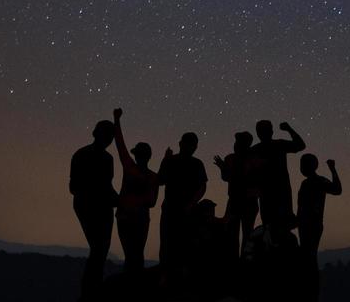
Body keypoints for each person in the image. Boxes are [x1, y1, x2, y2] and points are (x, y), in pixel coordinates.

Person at [70, 116, 119, 302]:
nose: (109, 139)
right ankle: (90, 293)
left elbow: (106, 185)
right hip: (91, 206)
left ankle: (91, 292)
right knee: (100, 249)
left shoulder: (103, 158)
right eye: (108, 135)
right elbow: (77, 186)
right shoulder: (87, 156)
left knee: (100, 249)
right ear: (97, 134)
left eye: (111, 136)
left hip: (97, 206)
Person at [111, 108, 159, 274]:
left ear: (137, 156)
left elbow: (120, 145)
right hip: (138, 218)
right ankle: (135, 284)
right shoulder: (153, 177)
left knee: (131, 254)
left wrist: (117, 120)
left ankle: (129, 284)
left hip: (126, 216)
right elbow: (152, 202)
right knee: (136, 253)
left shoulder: (130, 168)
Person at [157, 131, 207, 270]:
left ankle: (169, 275)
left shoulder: (193, 163)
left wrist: (191, 204)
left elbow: (160, 180)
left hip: (178, 209)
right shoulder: (193, 163)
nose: (192, 148)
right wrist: (192, 204)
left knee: (174, 243)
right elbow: (160, 180)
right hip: (176, 209)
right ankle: (170, 275)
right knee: (172, 243)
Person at [251, 119, 305, 229]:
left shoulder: (255, 150)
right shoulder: (278, 145)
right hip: (277, 192)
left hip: (270, 193)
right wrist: (289, 129)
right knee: (280, 226)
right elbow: (300, 145)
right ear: (271, 132)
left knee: (272, 226)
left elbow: (300, 146)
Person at [214, 131, 260, 254]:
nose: (236, 145)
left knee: (247, 233)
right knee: (232, 233)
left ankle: (244, 261)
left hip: (247, 200)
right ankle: (234, 262)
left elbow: (249, 179)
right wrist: (223, 169)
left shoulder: (253, 160)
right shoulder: (231, 159)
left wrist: (226, 170)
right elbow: (227, 178)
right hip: (235, 200)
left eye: (238, 142)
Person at [296, 155, 342, 263]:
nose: (302, 168)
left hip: (312, 225)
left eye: (304, 165)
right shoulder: (306, 183)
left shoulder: (318, 181)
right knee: (308, 256)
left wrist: (333, 169)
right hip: (305, 224)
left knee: (309, 256)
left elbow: (337, 190)